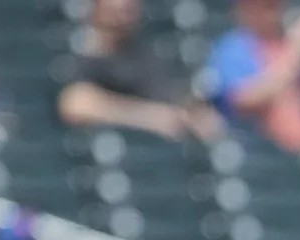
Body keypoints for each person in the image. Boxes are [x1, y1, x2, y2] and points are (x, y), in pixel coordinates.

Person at [59, 0, 220, 141]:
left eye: (128, 8)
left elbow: (176, 96)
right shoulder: (86, 58)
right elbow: (75, 104)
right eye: (117, 10)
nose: (123, 15)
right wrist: (148, 117)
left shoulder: (149, 56)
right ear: (96, 9)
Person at [206, 0, 300, 155]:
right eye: (265, 6)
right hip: (260, 153)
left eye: (275, 5)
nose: (272, 11)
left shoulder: (295, 42)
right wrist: (298, 52)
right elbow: (243, 100)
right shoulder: (233, 48)